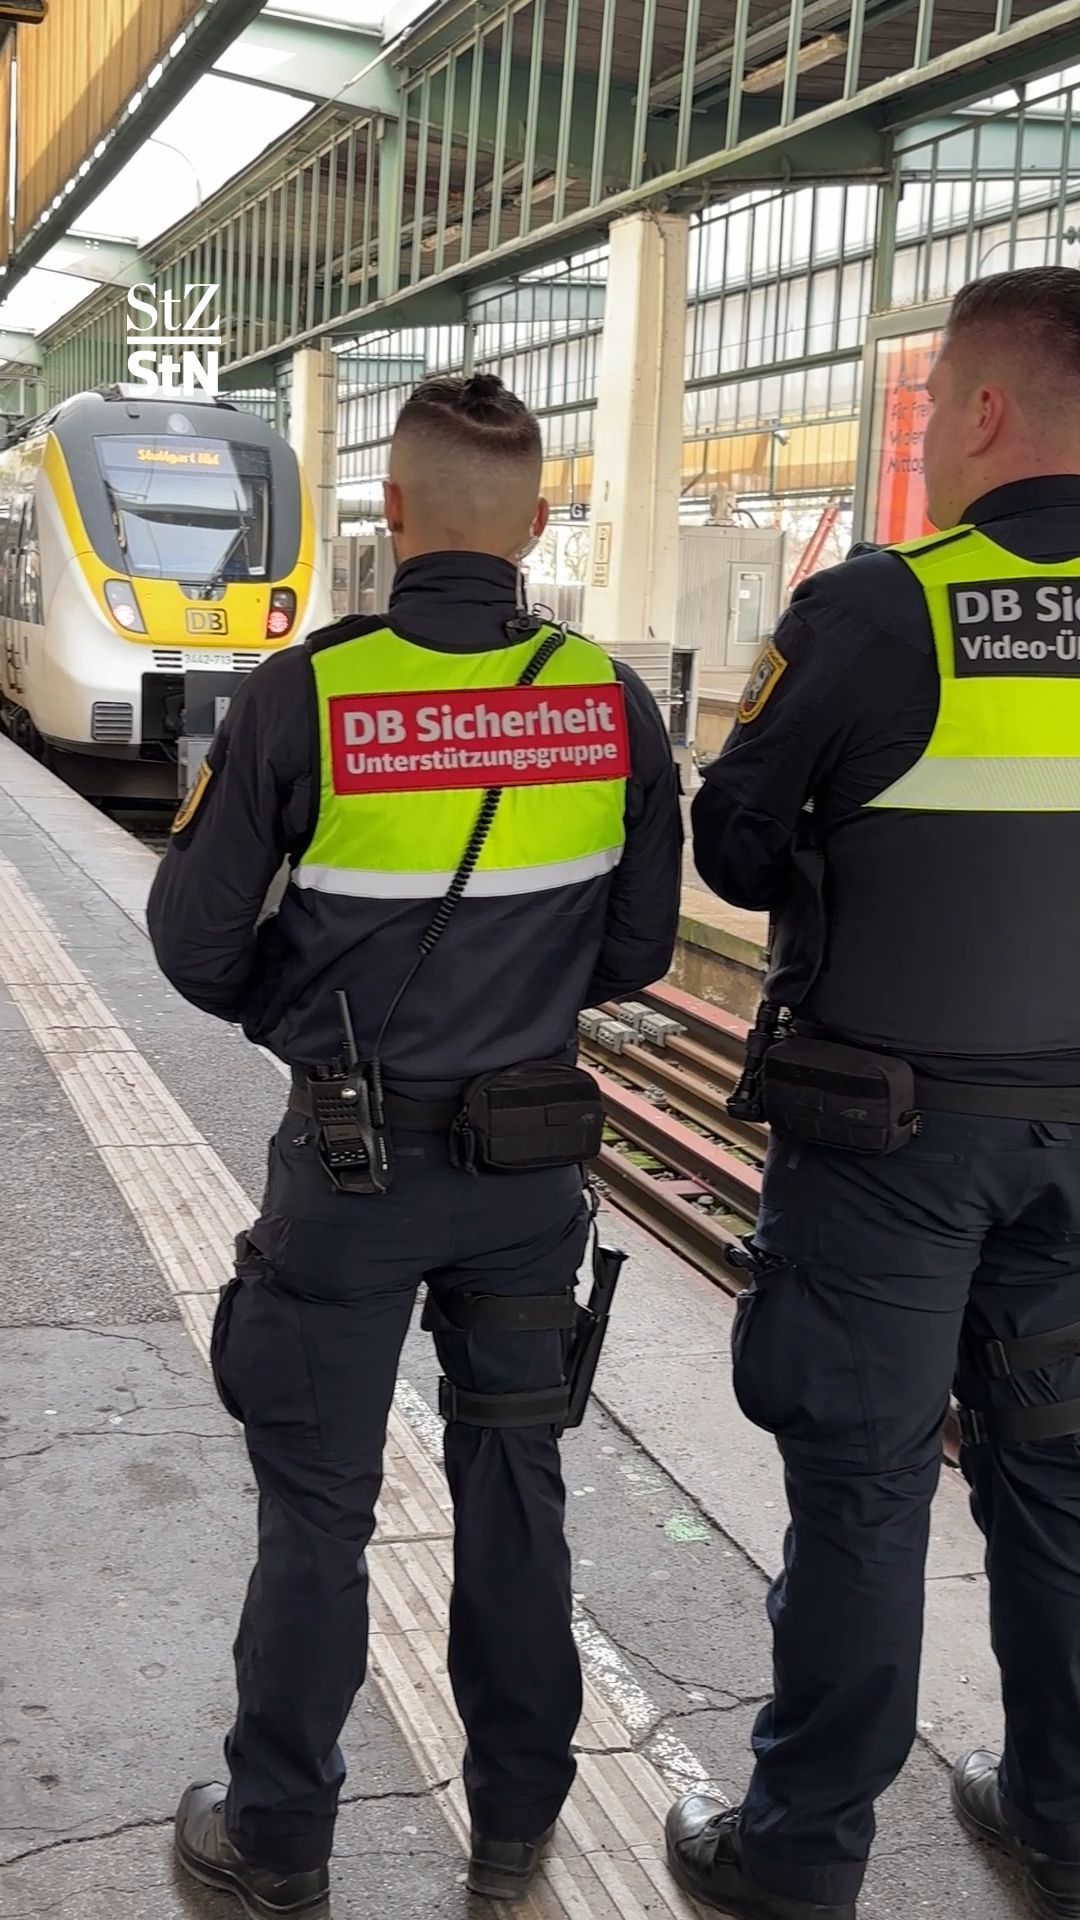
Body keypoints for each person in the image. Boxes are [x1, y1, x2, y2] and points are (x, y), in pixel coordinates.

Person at [147, 373, 682, 1918]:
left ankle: (280, 1842)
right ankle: (516, 1832)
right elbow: (639, 949)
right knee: (517, 1481)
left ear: (390, 512)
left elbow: (191, 943)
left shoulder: (308, 696)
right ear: (535, 519)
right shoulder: (607, 700)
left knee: (318, 1505)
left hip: (351, 1172)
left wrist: (303, 1018)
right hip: (528, 1171)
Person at [665, 264, 1080, 1920]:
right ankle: (1059, 1813)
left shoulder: (884, 608)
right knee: (1059, 1476)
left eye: (924, 408)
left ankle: (801, 1851)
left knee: (864, 1483)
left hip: (894, 1144)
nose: (919, 435)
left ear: (982, 411)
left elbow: (735, 846)